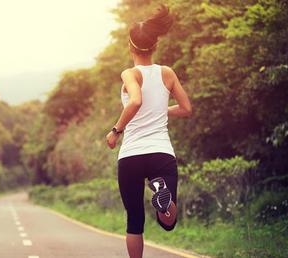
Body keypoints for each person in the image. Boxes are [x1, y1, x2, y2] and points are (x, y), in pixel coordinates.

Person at [105, 4, 192, 258]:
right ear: (155, 46)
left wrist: (115, 131)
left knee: (134, 221)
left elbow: (135, 101)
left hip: (131, 155)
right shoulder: (167, 73)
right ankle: (161, 193)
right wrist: (161, 111)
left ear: (130, 46)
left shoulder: (130, 74)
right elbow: (186, 108)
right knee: (168, 222)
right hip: (161, 153)